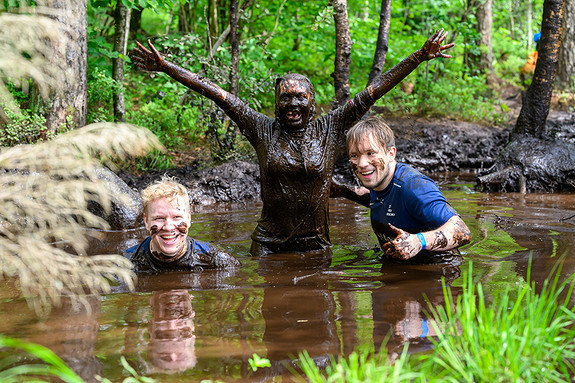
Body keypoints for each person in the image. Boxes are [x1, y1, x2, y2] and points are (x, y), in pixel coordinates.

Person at [130, 29, 454, 257]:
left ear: (313, 102)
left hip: (317, 244)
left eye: (301, 97)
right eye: (286, 97)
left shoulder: (331, 128)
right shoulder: (261, 129)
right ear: (276, 102)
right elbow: (216, 93)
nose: (293, 104)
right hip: (268, 244)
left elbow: (375, 90)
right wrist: (165, 67)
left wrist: (418, 56)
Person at [341, 116, 471, 263]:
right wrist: (339, 190)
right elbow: (377, 197)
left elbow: (462, 231)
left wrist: (418, 241)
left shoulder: (413, 185)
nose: (362, 163)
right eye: (354, 155)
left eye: (370, 153)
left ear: (390, 154)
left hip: (436, 272)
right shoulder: (378, 183)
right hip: (398, 267)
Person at [124, 176, 241, 272]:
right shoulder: (126, 264)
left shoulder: (218, 262)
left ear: (188, 218)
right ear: (146, 221)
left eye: (176, 217)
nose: (168, 227)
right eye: (159, 218)